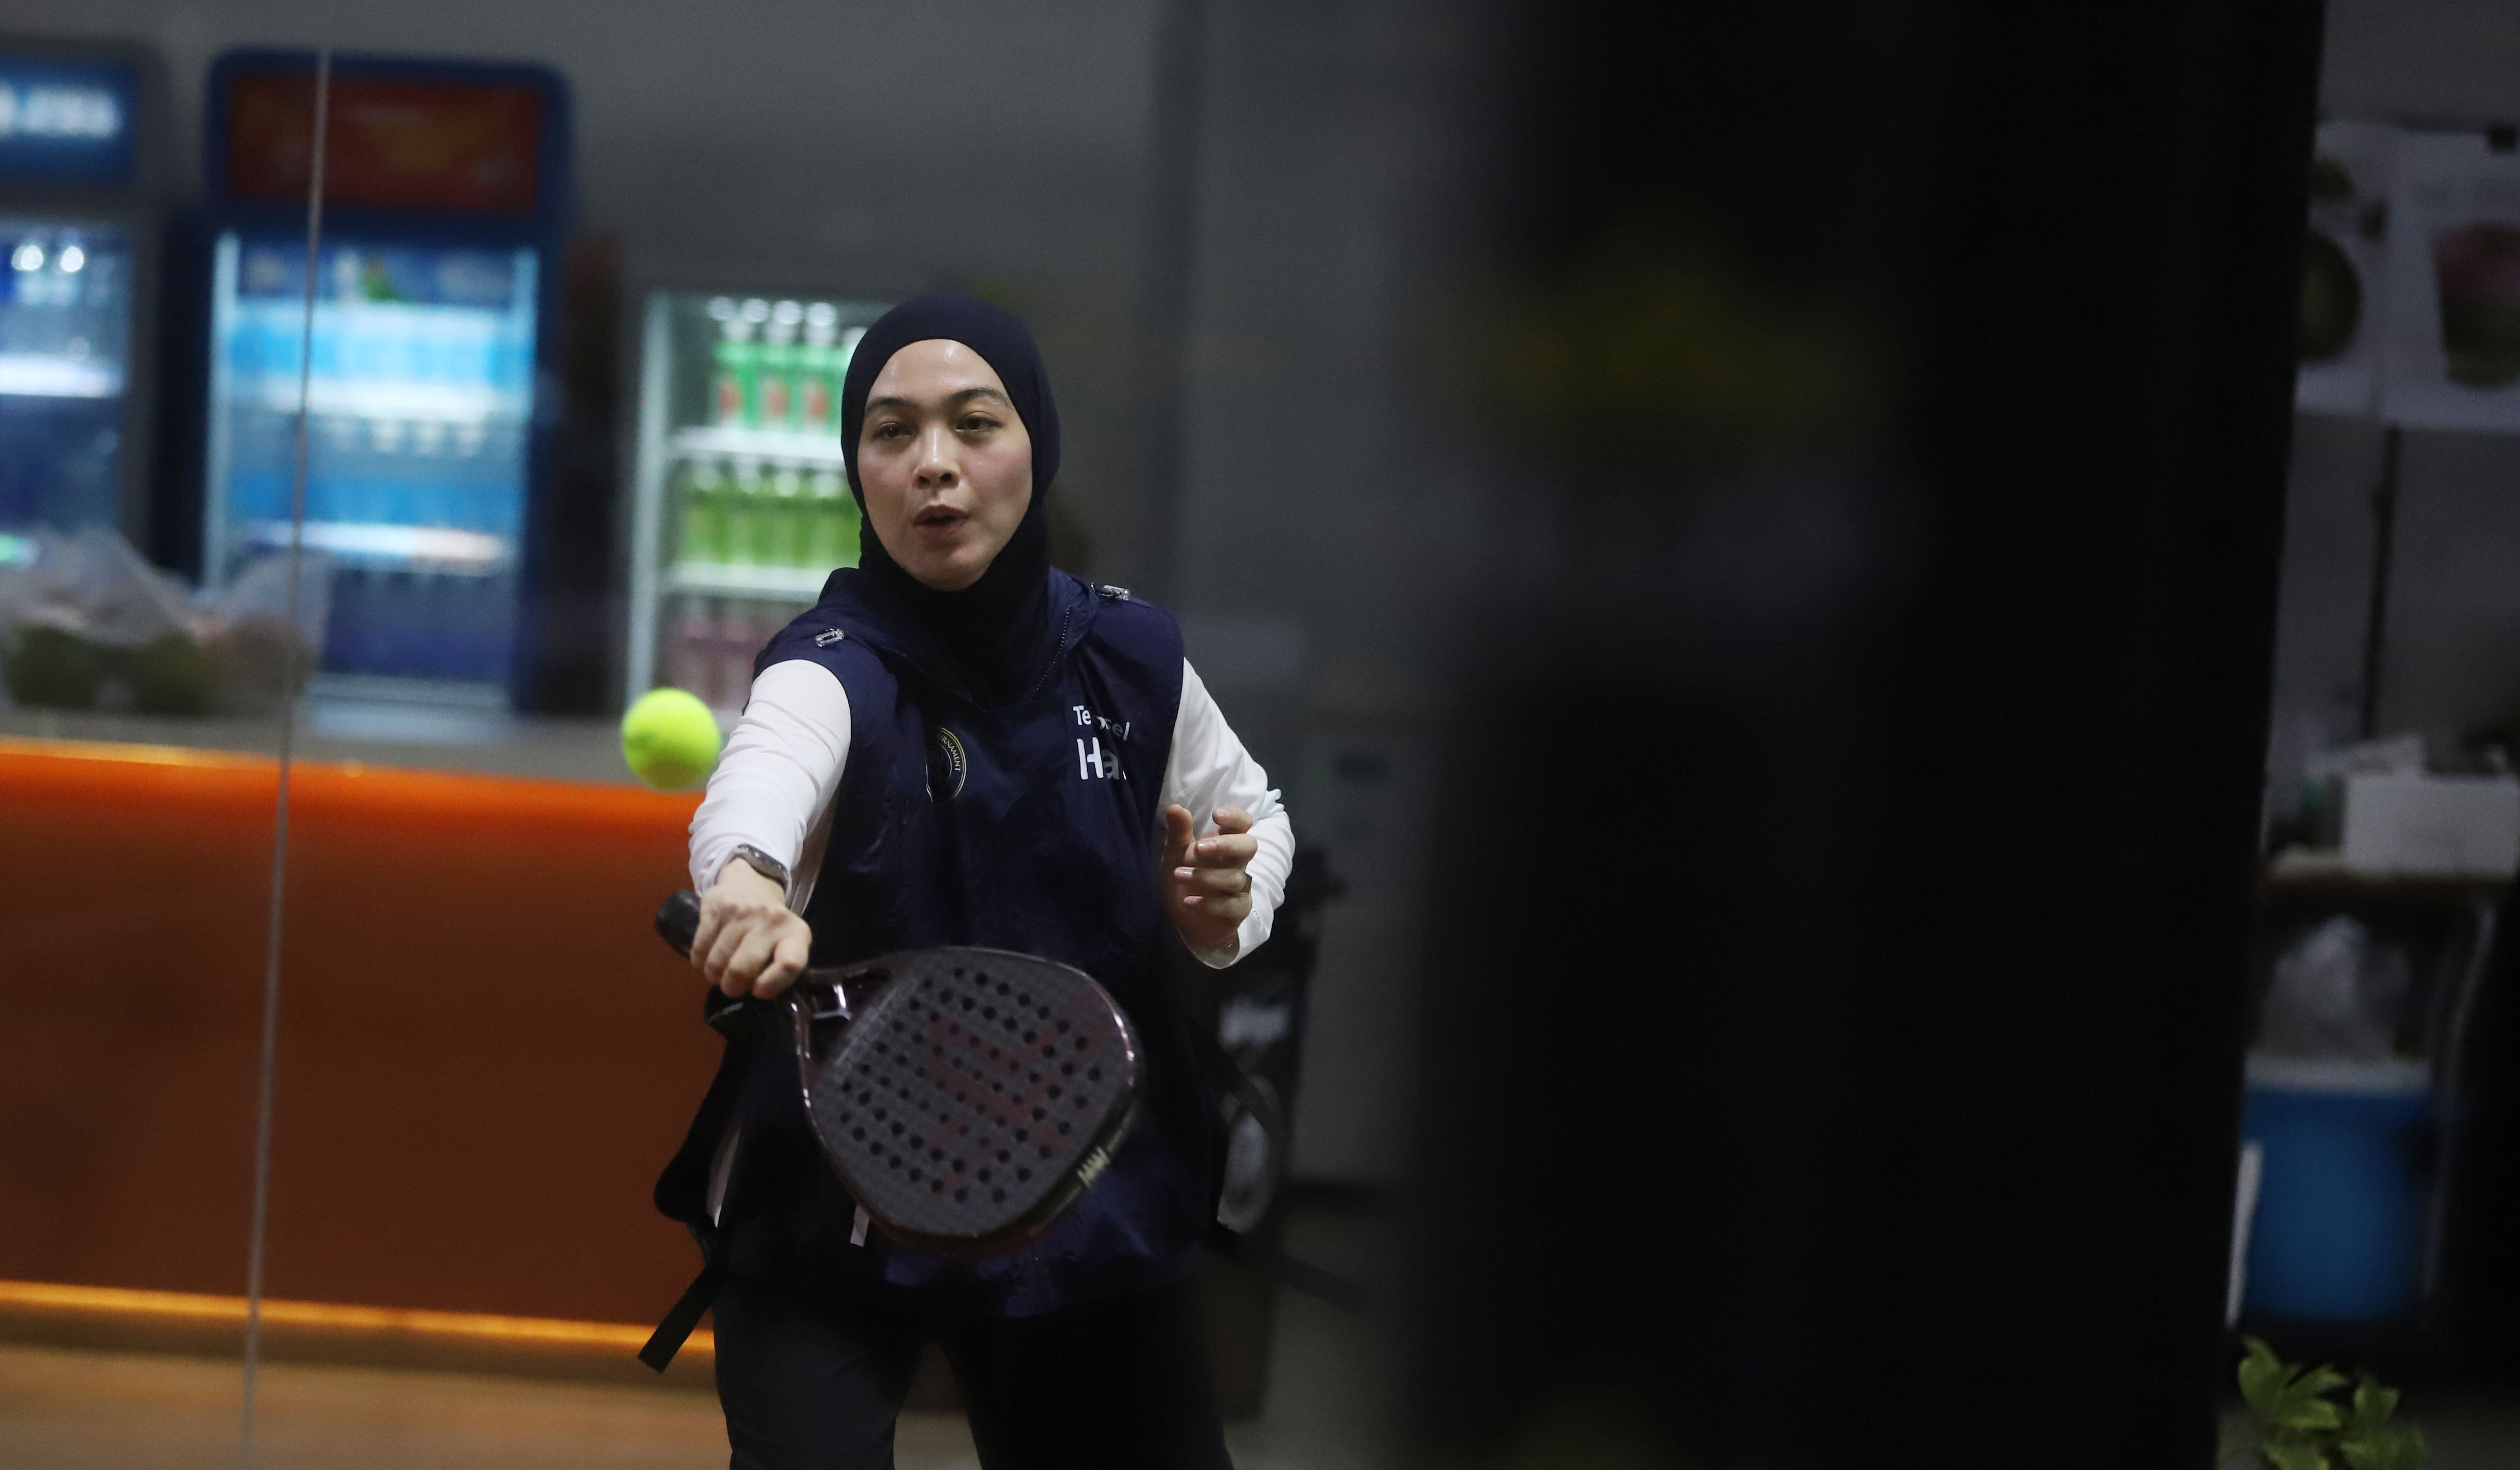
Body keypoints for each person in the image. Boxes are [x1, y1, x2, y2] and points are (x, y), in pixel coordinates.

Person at [661, 294, 1293, 1470]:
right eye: (892, 433)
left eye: (973, 424)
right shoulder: (829, 666)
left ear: (1035, 448)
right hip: (832, 1189)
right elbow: (763, 779)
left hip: (1078, 1180)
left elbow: (1254, 816)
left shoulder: (1135, 655)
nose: (934, 467)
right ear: (859, 468)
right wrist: (746, 884)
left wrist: (1221, 906)